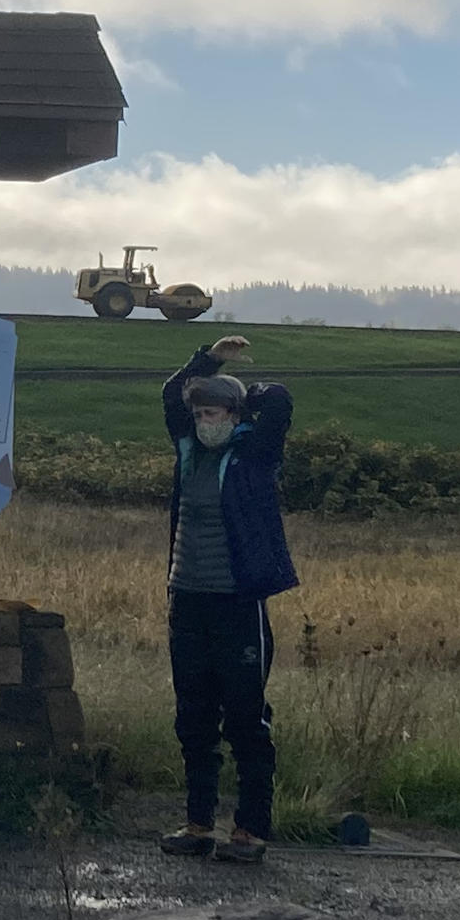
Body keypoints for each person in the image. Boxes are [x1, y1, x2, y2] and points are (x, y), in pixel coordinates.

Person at [159, 335, 297, 864]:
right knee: (193, 716)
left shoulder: (254, 456)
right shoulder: (188, 449)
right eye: (199, 413)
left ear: (234, 414)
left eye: (213, 412)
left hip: (238, 604)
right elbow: (172, 392)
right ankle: (198, 825)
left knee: (245, 719)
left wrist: (244, 391)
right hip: (187, 599)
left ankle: (250, 831)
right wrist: (207, 361)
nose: (202, 421)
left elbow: (280, 402)